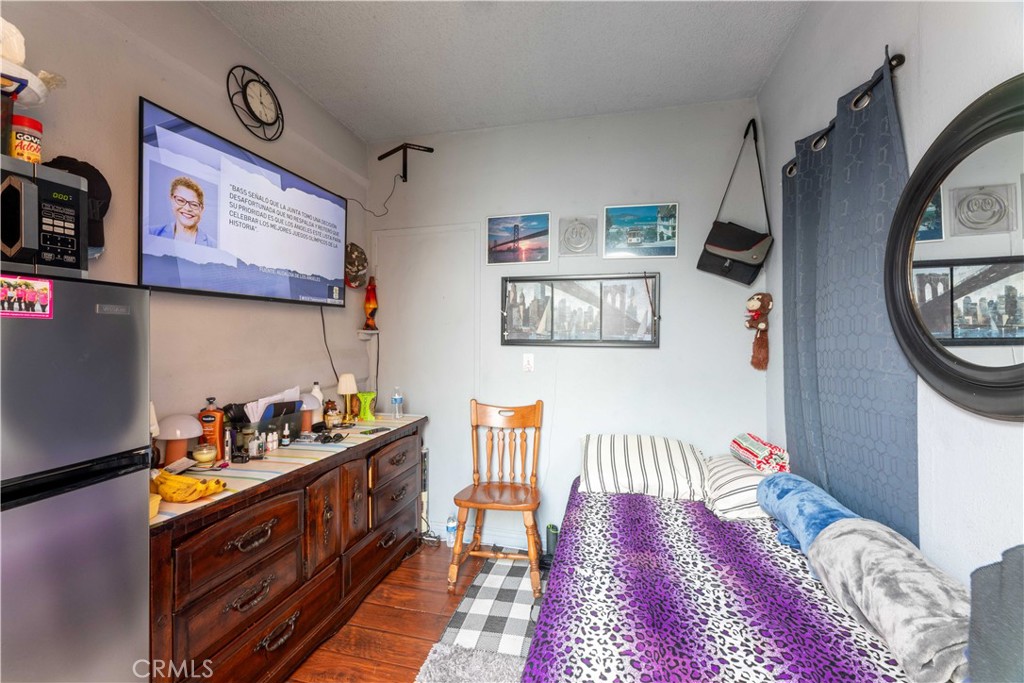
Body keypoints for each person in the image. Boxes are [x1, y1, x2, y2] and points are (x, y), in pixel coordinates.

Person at [149, 176, 216, 247]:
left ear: (201, 209)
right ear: (172, 200)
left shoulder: (213, 246)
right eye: (181, 200)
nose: (187, 208)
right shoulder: (151, 233)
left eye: (194, 204)